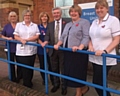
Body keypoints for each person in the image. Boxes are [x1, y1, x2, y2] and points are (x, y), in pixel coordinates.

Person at [54, 5, 90, 96]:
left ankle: (79, 92)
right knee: (71, 73)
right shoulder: (68, 24)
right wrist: (57, 45)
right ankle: (83, 88)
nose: (73, 13)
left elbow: (86, 37)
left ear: (79, 13)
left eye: (75, 11)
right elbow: (62, 37)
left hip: (78, 53)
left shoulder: (84, 22)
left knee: (78, 72)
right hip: (68, 52)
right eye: (71, 12)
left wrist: (80, 47)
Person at [88, 0, 120, 96]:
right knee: (100, 82)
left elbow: (117, 39)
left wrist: (105, 51)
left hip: (106, 57)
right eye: (97, 8)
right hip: (94, 57)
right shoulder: (94, 21)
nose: (99, 10)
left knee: (98, 82)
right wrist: (90, 46)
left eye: (101, 8)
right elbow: (91, 37)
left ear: (107, 9)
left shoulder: (113, 20)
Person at [41, 7, 70, 95]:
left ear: (60, 13)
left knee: (63, 69)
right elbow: (47, 35)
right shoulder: (50, 24)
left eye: (57, 13)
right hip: (52, 49)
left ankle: (64, 86)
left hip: (63, 50)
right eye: (54, 13)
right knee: (54, 68)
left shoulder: (67, 23)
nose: (56, 14)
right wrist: (45, 41)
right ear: (52, 14)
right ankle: (56, 84)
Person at [13, 9, 40, 88]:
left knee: (31, 67)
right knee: (25, 68)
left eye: (29, 15)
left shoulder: (34, 25)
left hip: (32, 50)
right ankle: (26, 84)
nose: (27, 17)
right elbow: (15, 36)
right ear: (23, 16)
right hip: (22, 51)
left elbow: (37, 36)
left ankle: (29, 81)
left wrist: (27, 40)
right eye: (26, 15)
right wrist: (21, 40)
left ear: (31, 16)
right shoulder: (19, 25)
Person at [1, 11, 18, 82]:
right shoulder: (6, 26)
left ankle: (20, 77)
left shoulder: (19, 25)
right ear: (9, 18)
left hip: (19, 48)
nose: (13, 18)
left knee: (20, 63)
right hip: (9, 47)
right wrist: (7, 38)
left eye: (14, 16)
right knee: (11, 63)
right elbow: (1, 35)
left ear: (16, 17)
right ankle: (12, 78)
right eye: (11, 16)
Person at [37, 12, 53, 85]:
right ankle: (44, 79)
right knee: (42, 65)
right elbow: (37, 38)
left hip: (50, 49)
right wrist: (42, 44)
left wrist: (48, 46)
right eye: (42, 16)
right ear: (40, 18)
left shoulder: (50, 26)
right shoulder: (38, 27)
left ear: (47, 18)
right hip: (41, 49)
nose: (44, 18)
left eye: (45, 16)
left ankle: (53, 80)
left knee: (51, 66)